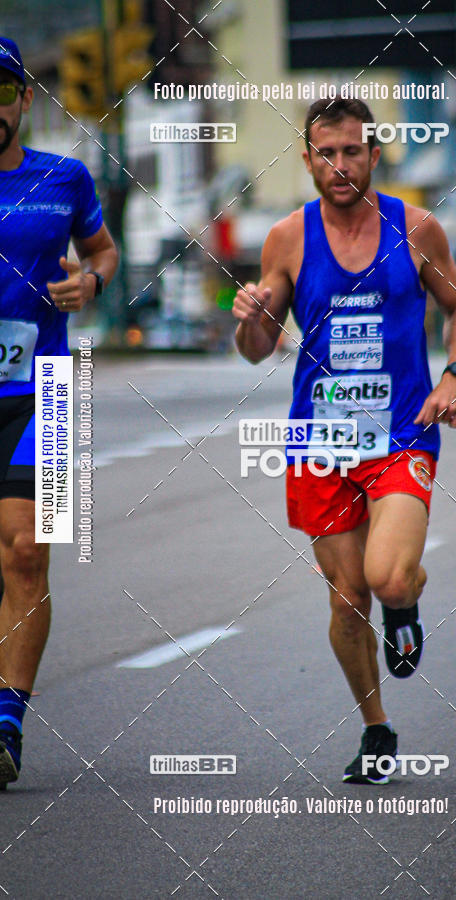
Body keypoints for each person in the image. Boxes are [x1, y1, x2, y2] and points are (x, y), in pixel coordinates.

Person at [233, 97, 456, 784]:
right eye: (326, 153)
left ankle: (407, 600)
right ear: (308, 160)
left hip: (402, 432)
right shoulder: (287, 238)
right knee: (346, 600)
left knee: (387, 575)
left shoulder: (418, 228)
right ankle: (376, 730)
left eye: (353, 152)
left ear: (374, 156)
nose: (340, 166)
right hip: (322, 442)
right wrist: (249, 318)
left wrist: (453, 375)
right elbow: (257, 349)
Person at [0, 37, 118, 788]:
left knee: (24, 552)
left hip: (44, 391)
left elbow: (103, 252)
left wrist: (93, 283)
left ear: (21, 101)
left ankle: (6, 720)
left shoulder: (65, 178)